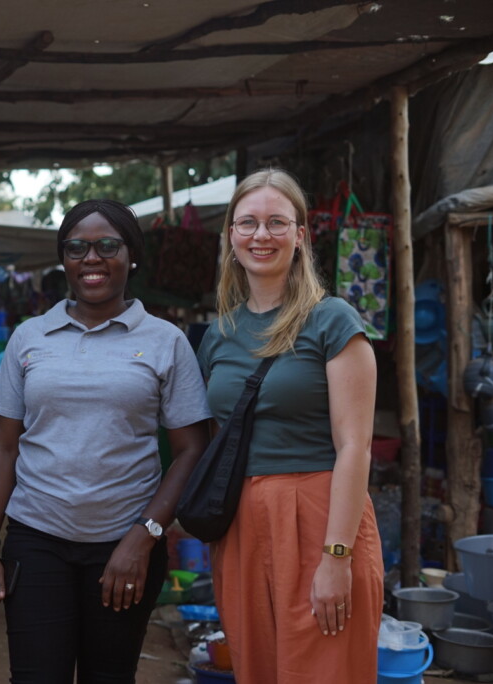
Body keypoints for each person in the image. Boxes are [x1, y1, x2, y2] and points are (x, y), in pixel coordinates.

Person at [0, 199, 210, 683]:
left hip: (126, 543)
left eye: (107, 246)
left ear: (132, 255)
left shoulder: (166, 341)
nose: (91, 258)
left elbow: (191, 450)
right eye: (77, 247)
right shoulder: (30, 337)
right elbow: (3, 447)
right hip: (37, 540)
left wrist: (144, 536)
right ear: (64, 258)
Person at [196, 168, 383, 683]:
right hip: (241, 525)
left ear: (300, 236)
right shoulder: (218, 335)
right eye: (248, 223)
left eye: (276, 222)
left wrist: (337, 556)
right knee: (257, 671)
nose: (262, 235)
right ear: (231, 236)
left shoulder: (333, 321)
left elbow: (355, 447)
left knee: (325, 672)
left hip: (320, 516)